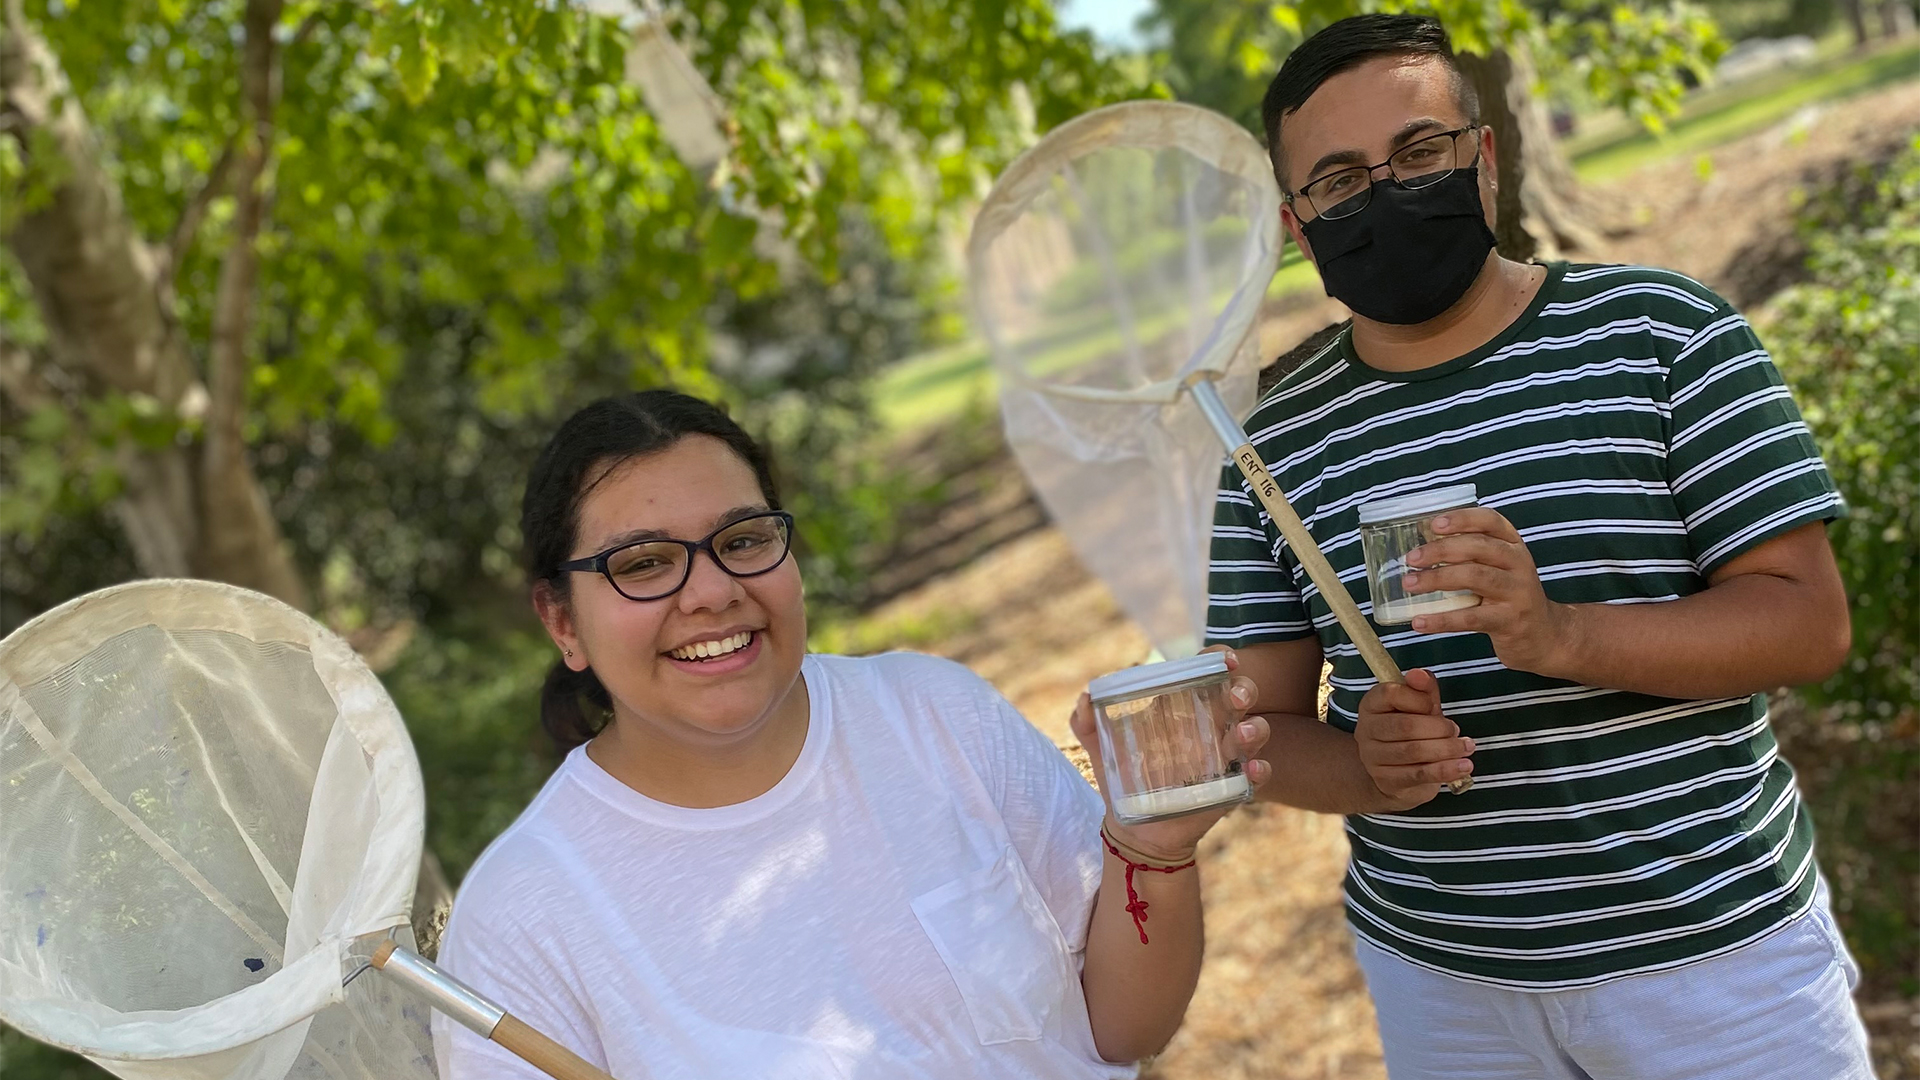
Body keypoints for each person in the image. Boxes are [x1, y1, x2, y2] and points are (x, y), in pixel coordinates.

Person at [1204, 14, 1875, 1080]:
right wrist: (1366, 768)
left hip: (1715, 961)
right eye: (1338, 183)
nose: (1383, 195)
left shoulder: (1665, 334)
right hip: (1446, 990)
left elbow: (1806, 622)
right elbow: (1258, 727)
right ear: (1297, 224)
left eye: (1417, 153)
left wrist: (1562, 634)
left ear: (1485, 155)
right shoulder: (1270, 447)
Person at [431, 389, 1272, 1080]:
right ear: (561, 620)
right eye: (644, 562)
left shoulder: (935, 714)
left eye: (742, 539)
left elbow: (1122, 1030)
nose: (712, 591)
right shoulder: (522, 921)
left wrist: (1152, 852)